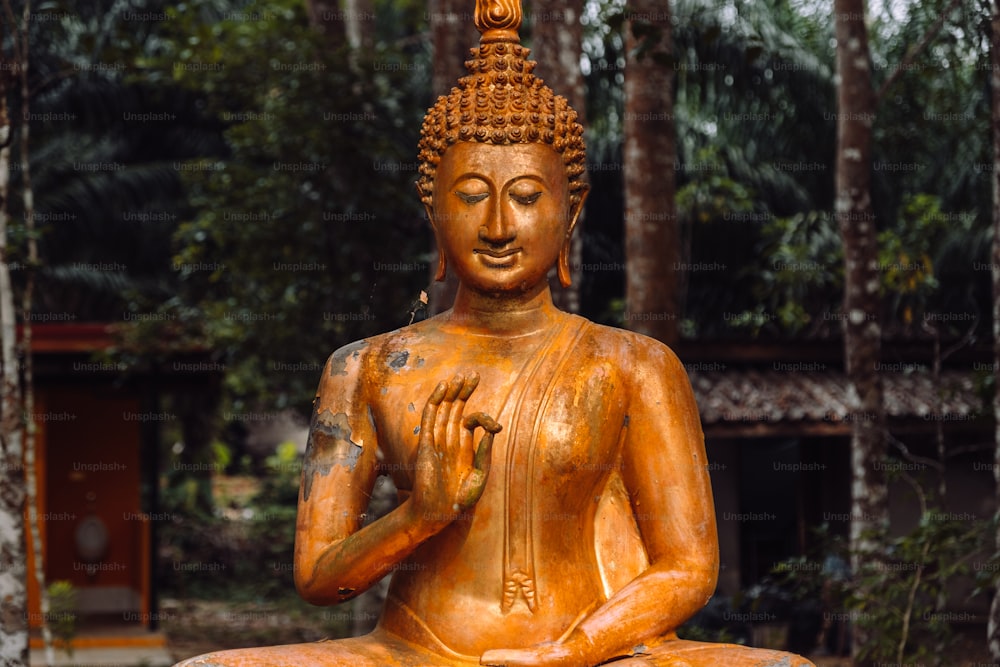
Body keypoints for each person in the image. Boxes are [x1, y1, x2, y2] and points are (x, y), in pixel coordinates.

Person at [175, 2, 814, 665]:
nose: (500, 224)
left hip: (587, 654)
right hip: (411, 651)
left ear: (571, 214)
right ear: (435, 208)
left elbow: (686, 566)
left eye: (529, 196)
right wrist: (421, 513)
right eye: (473, 193)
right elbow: (318, 575)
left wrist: (574, 651)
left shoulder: (632, 363)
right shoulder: (365, 366)